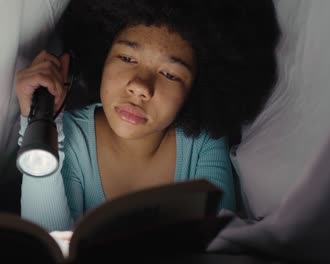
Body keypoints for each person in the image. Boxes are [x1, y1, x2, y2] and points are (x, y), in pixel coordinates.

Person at [16, 0, 280, 231]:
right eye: (128, 58)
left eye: (170, 74)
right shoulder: (71, 136)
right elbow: (47, 244)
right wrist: (39, 121)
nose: (141, 86)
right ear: (103, 55)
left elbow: (213, 246)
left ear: (197, 89)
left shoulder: (203, 144)